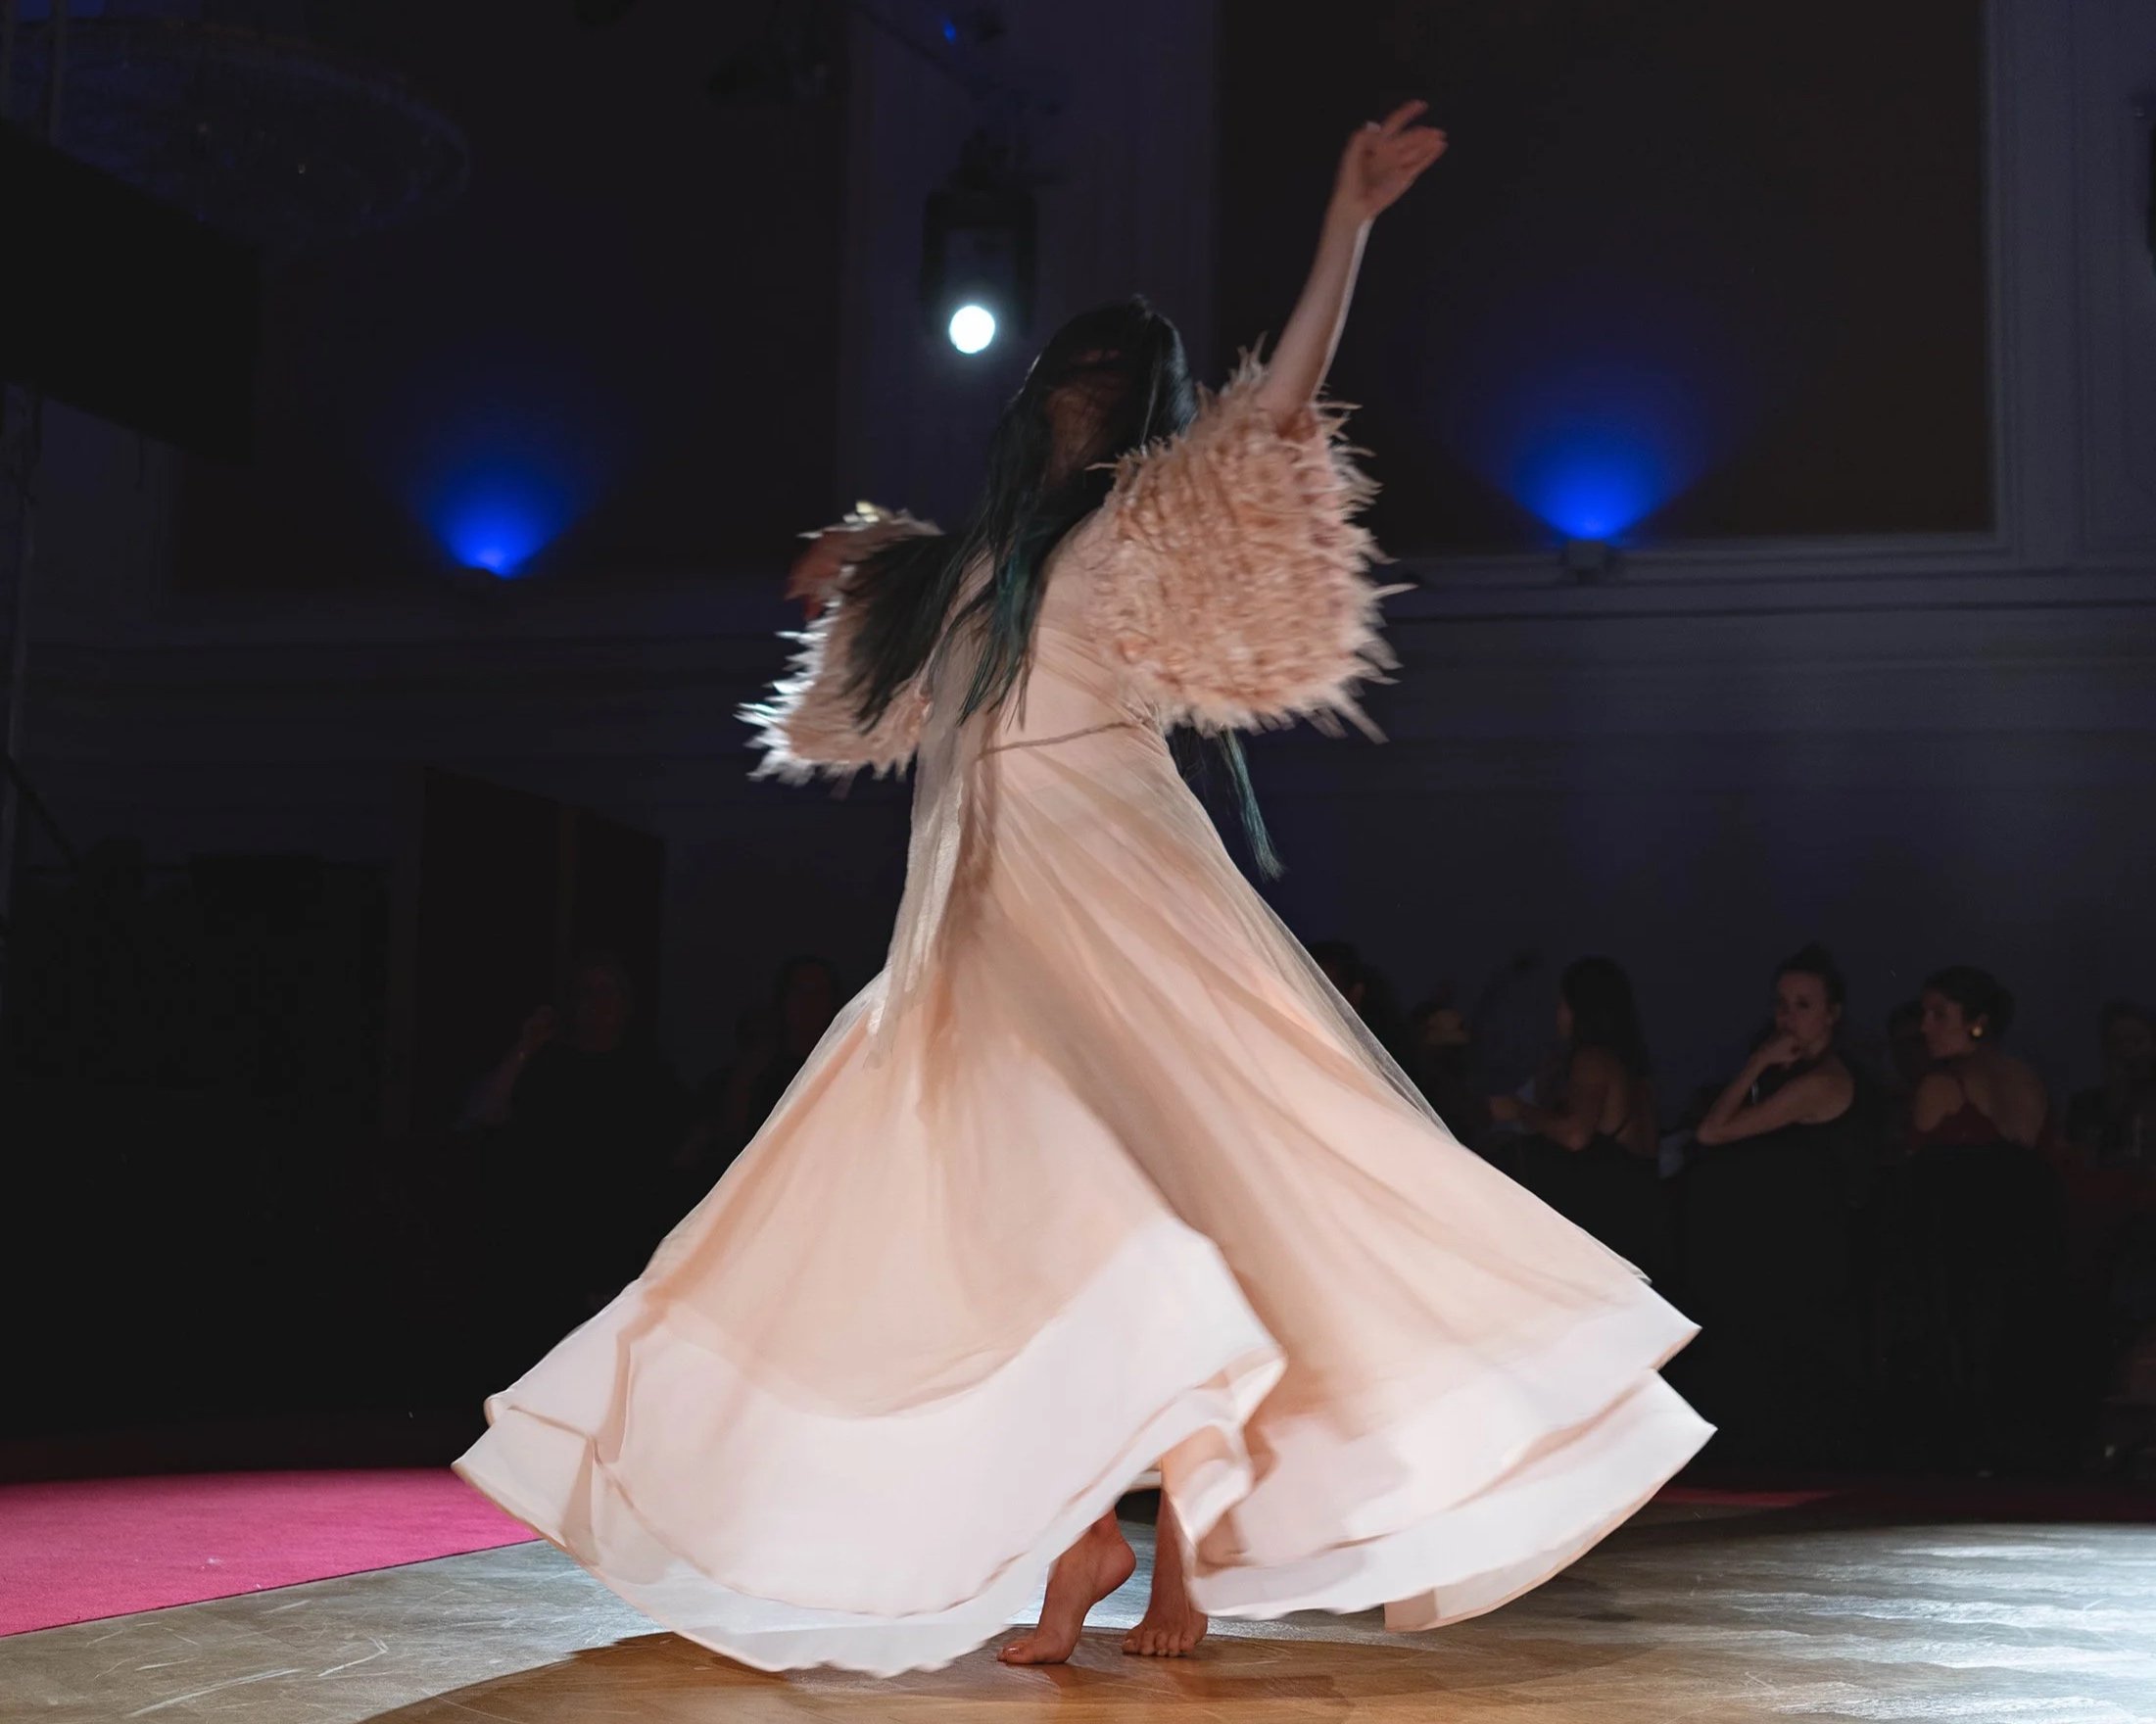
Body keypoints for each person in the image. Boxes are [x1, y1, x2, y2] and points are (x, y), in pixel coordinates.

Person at [455, 103, 1708, 1677]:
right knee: (1003, 1221)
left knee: (1188, 1195)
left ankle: (1176, 1539)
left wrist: (1349, 218)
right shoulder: (965, 559)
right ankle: (1079, 1541)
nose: (1089, 392)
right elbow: (884, 635)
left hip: (1120, 890)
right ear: (1041, 389)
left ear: (1135, 412)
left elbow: (1278, 414)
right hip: (971, 907)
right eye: (1077, 369)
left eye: (1120, 379)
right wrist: (852, 563)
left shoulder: (1150, 516)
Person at [1678, 944, 1867, 1465]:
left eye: (1804, 1005)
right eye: (1782, 1004)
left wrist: (1757, 1060)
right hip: (1783, 1240)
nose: (1788, 1018)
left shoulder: (1822, 1080)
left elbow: (1714, 1131)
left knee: (1793, 1353)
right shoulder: (1793, 1073)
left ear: (1831, 1014)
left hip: (1809, 1243)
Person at [1485, 956, 1666, 1278]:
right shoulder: (1634, 1070)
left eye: (1562, 1004)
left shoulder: (1593, 1060)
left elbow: (1574, 1135)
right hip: (1643, 1216)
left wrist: (1518, 1110)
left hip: (1611, 1221)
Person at [2064, 1000, 2156, 1165]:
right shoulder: (2084, 1106)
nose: (2128, 1052)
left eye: (2138, 1042)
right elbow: (2080, 1160)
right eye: (2117, 1043)